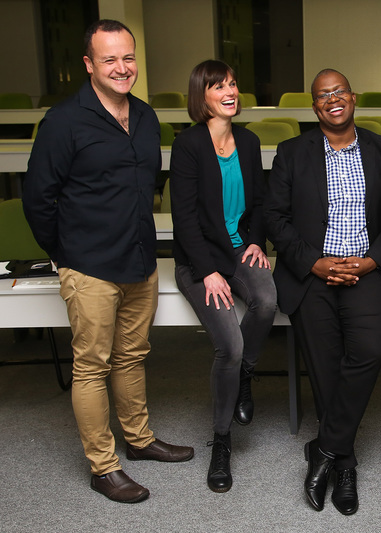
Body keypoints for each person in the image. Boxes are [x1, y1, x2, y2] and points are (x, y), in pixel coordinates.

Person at [22, 19, 193, 504]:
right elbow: (39, 199)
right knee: (92, 366)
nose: (122, 68)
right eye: (109, 59)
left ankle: (138, 441)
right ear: (89, 64)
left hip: (139, 260)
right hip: (88, 266)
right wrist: (64, 256)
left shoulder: (144, 117)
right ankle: (103, 466)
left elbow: (145, 187)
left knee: (133, 356)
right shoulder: (62, 121)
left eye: (128, 58)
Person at [263, 69, 381, 515]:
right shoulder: (292, 153)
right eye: (322, 95)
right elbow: (275, 218)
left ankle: (325, 449)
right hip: (312, 273)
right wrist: (314, 261)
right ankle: (345, 466)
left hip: (366, 271)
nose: (332, 99)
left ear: (353, 98)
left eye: (339, 91)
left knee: (367, 352)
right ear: (315, 107)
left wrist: (371, 261)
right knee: (326, 369)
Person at [169, 60, 277, 493]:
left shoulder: (248, 142)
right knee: (229, 346)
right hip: (198, 259)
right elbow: (185, 220)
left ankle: (246, 375)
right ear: (203, 96)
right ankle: (221, 440)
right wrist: (208, 271)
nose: (230, 91)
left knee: (267, 302)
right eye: (219, 86)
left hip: (239, 250)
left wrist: (254, 241)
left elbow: (263, 203)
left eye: (233, 83)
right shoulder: (188, 146)